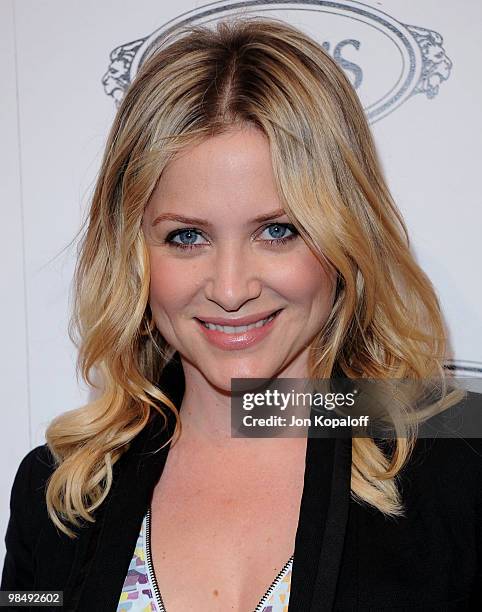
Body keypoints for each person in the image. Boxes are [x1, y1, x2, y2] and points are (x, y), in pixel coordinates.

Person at [2, 16, 481, 612]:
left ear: (345, 239)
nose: (230, 289)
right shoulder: (64, 493)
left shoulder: (458, 462)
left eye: (277, 231)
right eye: (186, 238)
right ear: (131, 251)